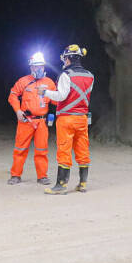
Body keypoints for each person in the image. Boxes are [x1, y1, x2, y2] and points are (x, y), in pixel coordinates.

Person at [40, 44, 95, 195]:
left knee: (64, 150)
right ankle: (82, 183)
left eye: (64, 58)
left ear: (68, 59)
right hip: (82, 118)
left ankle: (61, 185)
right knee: (82, 149)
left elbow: (61, 96)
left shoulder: (66, 75)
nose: (64, 61)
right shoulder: (90, 75)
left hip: (67, 118)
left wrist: (45, 92)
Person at [7, 52, 55, 185]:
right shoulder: (23, 81)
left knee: (42, 150)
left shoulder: (49, 83)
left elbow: (57, 100)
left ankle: (42, 176)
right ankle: (15, 175)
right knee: (20, 149)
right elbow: (13, 96)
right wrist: (18, 111)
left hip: (42, 121)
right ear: (31, 67)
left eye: (41, 66)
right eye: (36, 66)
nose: (39, 69)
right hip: (26, 121)